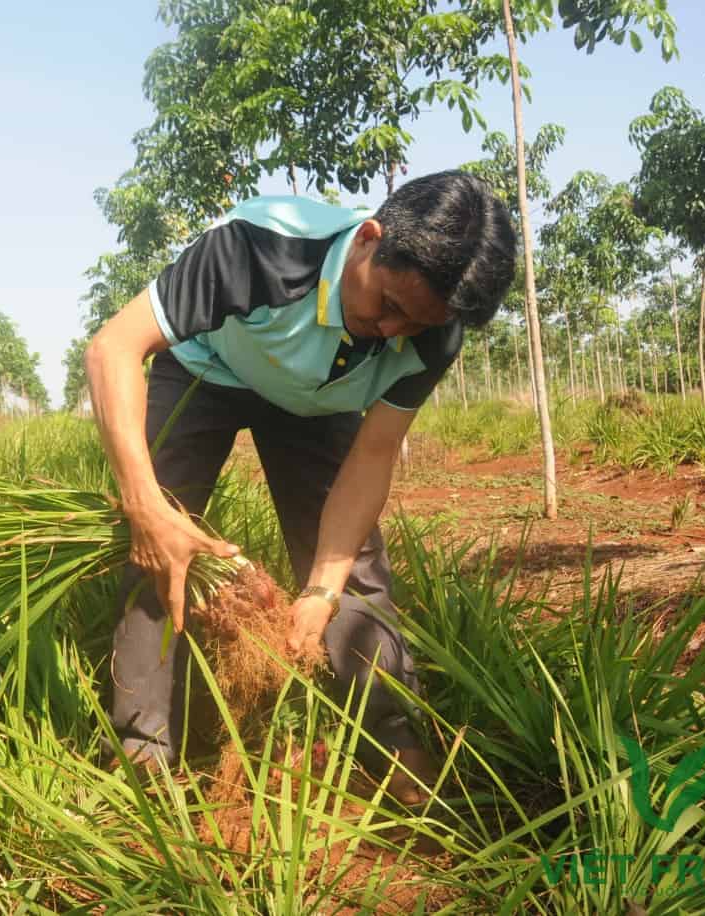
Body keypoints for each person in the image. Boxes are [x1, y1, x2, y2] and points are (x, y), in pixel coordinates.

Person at [83, 170, 517, 802]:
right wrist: (144, 506)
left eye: (415, 326)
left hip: (316, 402)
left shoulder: (436, 325)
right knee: (159, 551)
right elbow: (112, 348)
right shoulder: (261, 248)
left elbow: (373, 456)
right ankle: (142, 756)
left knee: (353, 573)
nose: (394, 333)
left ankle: (395, 747)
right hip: (209, 367)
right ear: (369, 239)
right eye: (389, 306)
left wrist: (320, 589)